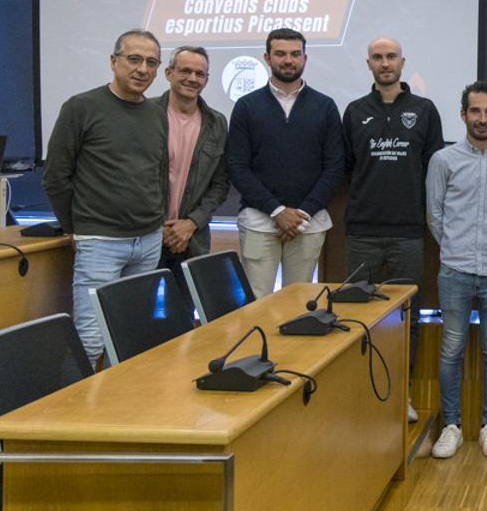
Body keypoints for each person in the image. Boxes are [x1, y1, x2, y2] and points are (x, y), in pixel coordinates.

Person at [43, 29, 170, 362]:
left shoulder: (157, 112)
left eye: (151, 62)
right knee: (90, 340)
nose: (143, 69)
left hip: (148, 241)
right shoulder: (81, 107)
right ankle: (72, 414)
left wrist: (157, 219)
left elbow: (158, 170)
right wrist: (75, 227)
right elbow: (56, 176)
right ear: (114, 62)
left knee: (131, 337)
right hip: (99, 241)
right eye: (134, 59)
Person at [342, 36, 443, 423]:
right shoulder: (354, 111)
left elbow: (433, 167)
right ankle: (361, 398)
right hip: (362, 232)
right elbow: (349, 167)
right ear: (368, 64)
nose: (385, 63)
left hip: (408, 233)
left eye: (391, 57)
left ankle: (401, 394)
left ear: (403, 62)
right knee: (357, 318)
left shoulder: (424, 109)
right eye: (377, 58)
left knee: (407, 318)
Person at [426, 81, 487, 459]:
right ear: (463, 114)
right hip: (455, 269)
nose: (482, 119)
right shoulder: (443, 160)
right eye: (475, 111)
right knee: (452, 348)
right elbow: (435, 214)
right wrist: (455, 248)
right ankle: (452, 425)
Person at [226, 28, 344, 299]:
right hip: (259, 221)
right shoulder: (246, 106)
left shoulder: (325, 106)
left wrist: (302, 213)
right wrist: (277, 211)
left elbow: (335, 165)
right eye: (280, 54)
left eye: (294, 54)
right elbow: (237, 166)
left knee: (300, 304)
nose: (288, 60)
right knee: (256, 302)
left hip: (309, 223)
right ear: (267, 58)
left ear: (305, 58)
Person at [152, 46, 230, 281]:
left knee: (186, 313)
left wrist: (191, 223)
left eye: (200, 74)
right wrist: (159, 228)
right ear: (168, 73)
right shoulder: (145, 114)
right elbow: (131, 179)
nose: (192, 79)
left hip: (192, 239)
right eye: (185, 71)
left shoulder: (217, 123)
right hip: (146, 238)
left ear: (207, 80)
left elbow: (220, 184)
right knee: (140, 313)